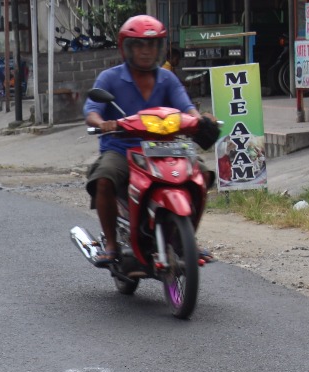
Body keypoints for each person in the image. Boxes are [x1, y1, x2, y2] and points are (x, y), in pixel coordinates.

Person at [83, 15, 214, 266]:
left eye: (152, 45)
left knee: (203, 175)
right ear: (126, 48)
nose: (146, 51)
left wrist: (201, 120)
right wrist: (102, 123)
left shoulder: (167, 78)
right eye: (139, 45)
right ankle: (111, 243)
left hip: (165, 148)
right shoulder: (109, 78)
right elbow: (92, 111)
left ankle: (186, 238)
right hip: (122, 148)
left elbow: (187, 108)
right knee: (104, 178)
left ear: (160, 48)